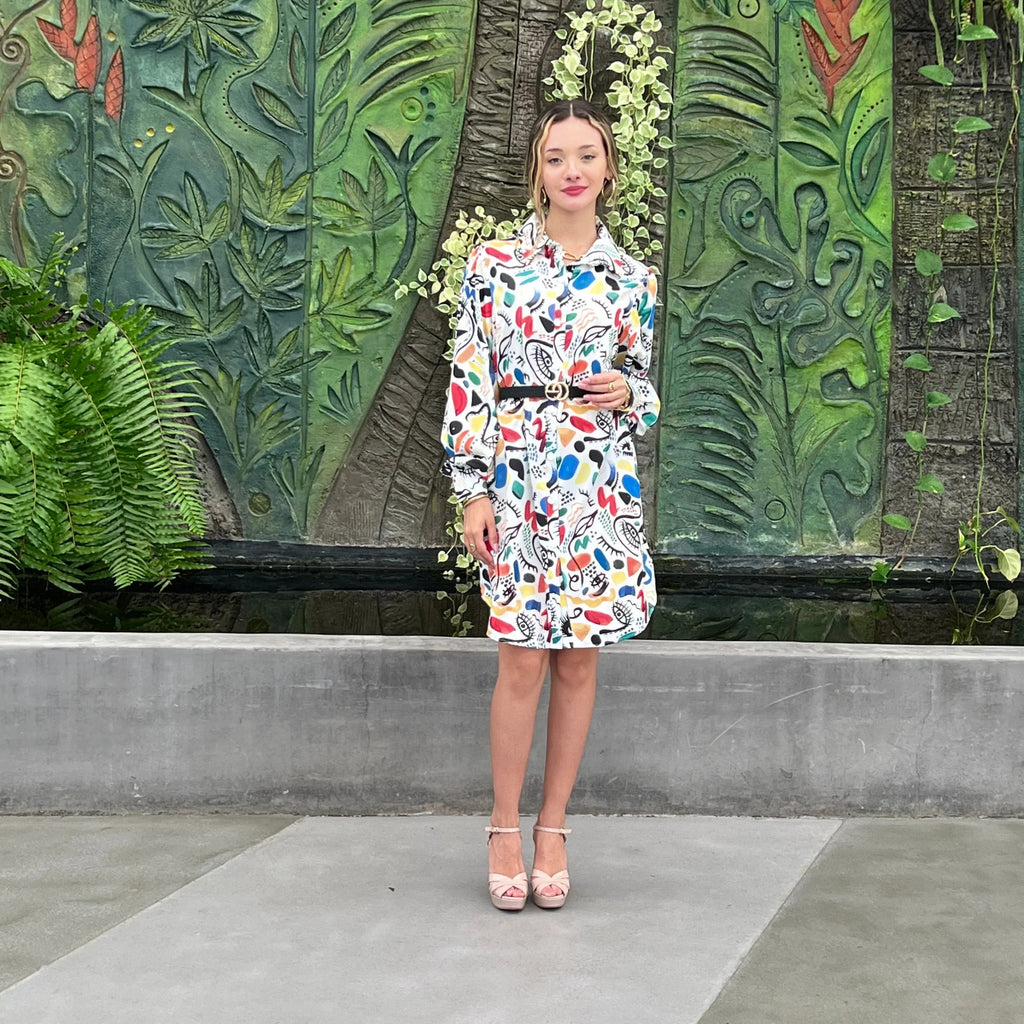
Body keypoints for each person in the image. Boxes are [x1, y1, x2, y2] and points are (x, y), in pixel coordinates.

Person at [440, 98, 660, 910]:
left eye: (587, 155)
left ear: (609, 170)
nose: (572, 170)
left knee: (580, 657)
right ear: (537, 171)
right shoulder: (493, 264)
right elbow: (469, 376)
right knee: (522, 656)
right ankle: (503, 825)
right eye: (557, 156)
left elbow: (645, 390)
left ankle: (554, 829)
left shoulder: (633, 279)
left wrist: (627, 392)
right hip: (519, 478)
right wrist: (473, 489)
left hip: (597, 482)